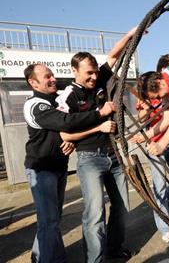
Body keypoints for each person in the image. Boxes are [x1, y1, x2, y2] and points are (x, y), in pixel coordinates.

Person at [55, 26, 137, 261]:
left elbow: (113, 55)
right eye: (88, 73)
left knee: (121, 208)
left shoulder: (100, 77)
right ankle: (95, 258)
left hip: (114, 155)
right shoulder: (69, 95)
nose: (93, 77)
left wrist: (132, 32)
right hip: (90, 158)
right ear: (75, 71)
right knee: (95, 213)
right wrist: (99, 124)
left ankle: (114, 248)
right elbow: (64, 135)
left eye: (94, 72)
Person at [23, 63, 115, 263]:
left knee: (51, 219)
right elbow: (64, 123)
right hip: (42, 169)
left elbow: (62, 133)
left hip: (58, 167)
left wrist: (70, 142)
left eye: (52, 75)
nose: (53, 78)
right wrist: (99, 115)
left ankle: (40, 256)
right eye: (47, 76)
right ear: (33, 82)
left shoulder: (55, 100)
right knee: (49, 222)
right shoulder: (35, 104)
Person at [130, 75, 169, 243]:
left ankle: (165, 213)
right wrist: (145, 110)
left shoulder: (166, 94)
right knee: (159, 187)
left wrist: (145, 135)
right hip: (154, 146)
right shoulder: (144, 100)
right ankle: (164, 226)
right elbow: (140, 118)